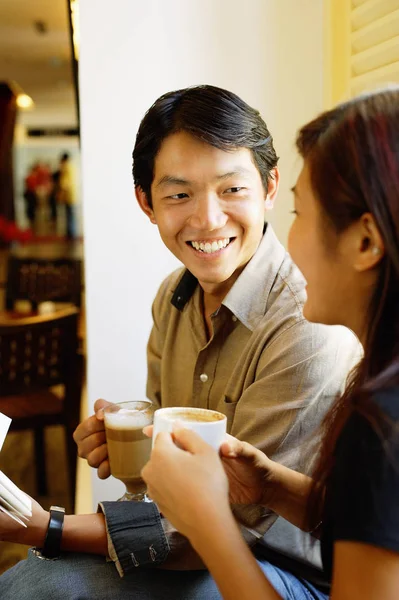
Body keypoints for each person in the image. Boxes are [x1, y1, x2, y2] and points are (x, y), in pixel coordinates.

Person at [0, 85, 360, 599]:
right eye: (179, 194)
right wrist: (135, 452)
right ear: (146, 202)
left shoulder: (309, 322)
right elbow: (164, 494)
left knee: (46, 583)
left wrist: (48, 527)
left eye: (232, 189)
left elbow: (222, 528)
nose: (208, 219)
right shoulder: (174, 297)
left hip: (288, 573)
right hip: (201, 546)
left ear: (271, 187)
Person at [142, 87, 399, 599]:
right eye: (179, 193)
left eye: (301, 213)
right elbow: (370, 516)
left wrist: (209, 523)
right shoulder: (381, 398)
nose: (284, 242)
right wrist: (271, 485)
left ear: (366, 242)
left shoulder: (382, 425)